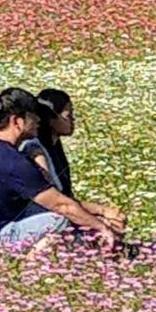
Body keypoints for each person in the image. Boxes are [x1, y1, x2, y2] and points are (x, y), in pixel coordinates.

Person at [0, 87, 118, 252]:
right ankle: (28, 267)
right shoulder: (11, 161)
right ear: (17, 121)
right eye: (34, 117)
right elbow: (61, 205)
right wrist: (102, 228)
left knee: (66, 224)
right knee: (58, 220)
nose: (39, 121)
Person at [19, 88, 127, 237]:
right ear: (51, 119)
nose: (73, 120)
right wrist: (101, 212)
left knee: (112, 223)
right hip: (43, 218)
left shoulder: (55, 146)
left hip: (59, 212)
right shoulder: (36, 150)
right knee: (104, 226)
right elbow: (56, 201)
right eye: (68, 115)